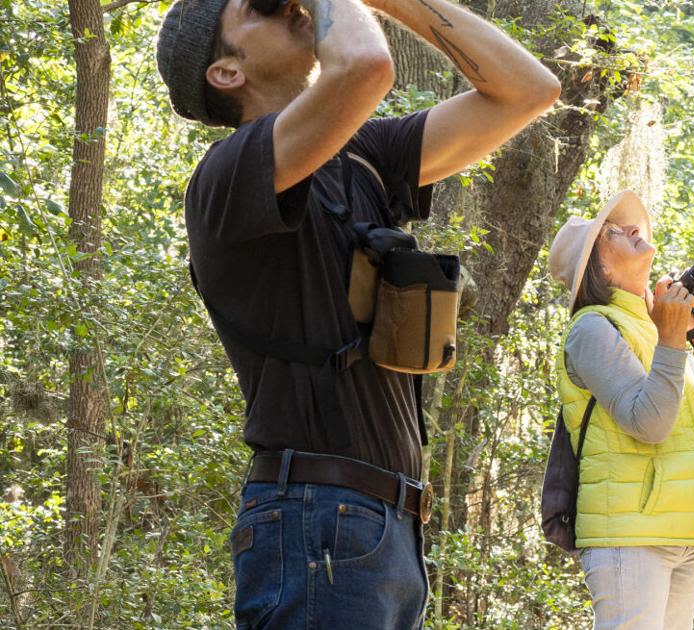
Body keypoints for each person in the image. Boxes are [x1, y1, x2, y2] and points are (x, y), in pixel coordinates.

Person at [155, 0, 559, 625]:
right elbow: (366, 65)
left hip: (384, 526)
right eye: (251, 9)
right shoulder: (229, 174)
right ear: (227, 73)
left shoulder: (362, 154)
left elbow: (528, 90)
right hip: (314, 520)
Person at [548, 191, 694, 630]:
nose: (635, 230)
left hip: (684, 528)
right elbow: (649, 424)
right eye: (614, 232)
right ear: (600, 268)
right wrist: (672, 342)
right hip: (629, 533)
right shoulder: (592, 328)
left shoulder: (655, 325)